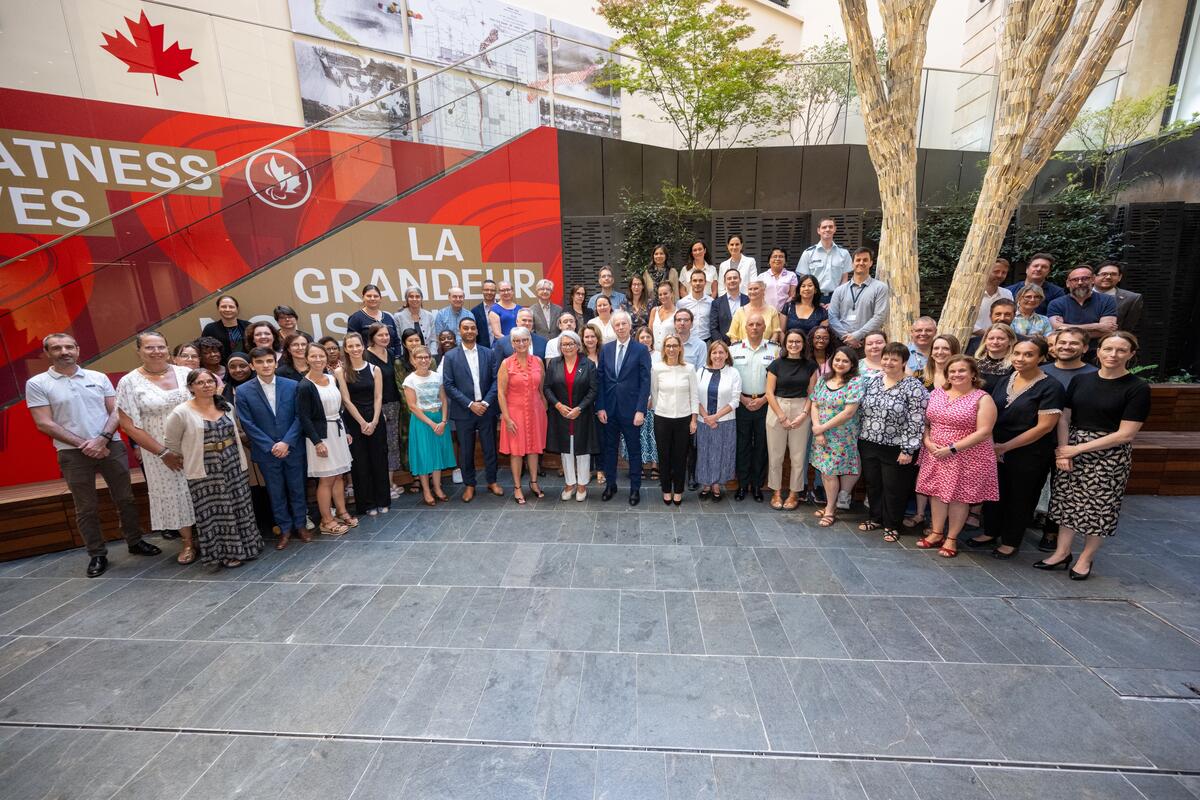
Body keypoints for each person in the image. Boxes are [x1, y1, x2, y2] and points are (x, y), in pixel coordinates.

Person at [27, 333, 159, 578]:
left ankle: (135, 541)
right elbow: (44, 423)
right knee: (86, 507)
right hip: (71, 453)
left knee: (125, 498)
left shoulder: (98, 378)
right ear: (47, 353)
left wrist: (102, 439)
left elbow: (117, 411)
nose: (64, 351)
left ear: (77, 349)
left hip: (110, 446)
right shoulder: (38, 383)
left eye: (69, 347)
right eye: (57, 348)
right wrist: (84, 444)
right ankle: (97, 553)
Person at [1039, 331, 1150, 579]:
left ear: (1131, 354)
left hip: (1108, 455)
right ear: (1098, 351)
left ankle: (1086, 558)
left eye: (1121, 350)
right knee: (1066, 503)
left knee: (1099, 509)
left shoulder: (1137, 388)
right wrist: (1063, 451)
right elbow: (1065, 417)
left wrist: (1076, 449)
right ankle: (1061, 553)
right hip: (1070, 446)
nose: (1113, 355)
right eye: (1108, 349)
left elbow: (1126, 434)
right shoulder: (1082, 380)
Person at [964, 338, 1065, 557]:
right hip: (995, 446)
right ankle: (991, 531)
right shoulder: (1007, 379)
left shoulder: (1051, 387)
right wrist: (993, 445)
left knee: (1020, 497)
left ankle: (1011, 540)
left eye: (1028, 354)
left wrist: (1006, 447)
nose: (1020, 358)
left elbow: (1044, 427)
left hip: (1029, 451)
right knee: (994, 492)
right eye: (1017, 353)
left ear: (1041, 357)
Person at [163, 368, 263, 568]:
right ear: (191, 387)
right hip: (204, 469)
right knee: (217, 512)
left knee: (239, 505)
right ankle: (225, 554)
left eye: (209, 381)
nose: (206, 385)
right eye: (200, 383)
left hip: (233, 463)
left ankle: (248, 547)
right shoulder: (181, 412)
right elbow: (171, 443)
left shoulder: (225, 406)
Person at [116, 331, 196, 560]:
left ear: (167, 348)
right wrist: (162, 452)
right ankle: (188, 543)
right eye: (149, 348)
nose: (156, 352)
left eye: (160, 346)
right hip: (159, 452)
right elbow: (129, 426)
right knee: (175, 495)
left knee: (200, 491)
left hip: (195, 447)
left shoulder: (185, 373)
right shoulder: (129, 382)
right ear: (139, 351)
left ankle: (210, 538)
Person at [915, 355, 999, 558]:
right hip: (935, 452)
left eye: (962, 370)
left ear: (973, 374)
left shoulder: (982, 398)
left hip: (966, 455)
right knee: (936, 493)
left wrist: (952, 448)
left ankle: (951, 538)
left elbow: (984, 431)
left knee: (958, 497)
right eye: (952, 371)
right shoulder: (937, 393)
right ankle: (936, 533)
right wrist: (927, 441)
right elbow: (927, 422)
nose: (956, 374)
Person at [236, 346, 310, 546]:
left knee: (297, 488)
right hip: (266, 452)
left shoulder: (292, 385)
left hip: (292, 447)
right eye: (259, 362)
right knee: (275, 491)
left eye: (269, 361)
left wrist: (286, 442)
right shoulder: (243, 391)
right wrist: (271, 446)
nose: (265, 365)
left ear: (275, 363)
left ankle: (300, 525)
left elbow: (300, 416)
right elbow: (247, 423)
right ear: (252, 365)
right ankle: (284, 529)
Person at [857, 343, 929, 542]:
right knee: (873, 484)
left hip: (897, 447)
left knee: (894, 487)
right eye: (886, 358)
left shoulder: (914, 386)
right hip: (869, 441)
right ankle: (876, 518)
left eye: (894, 359)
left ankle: (892, 524)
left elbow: (916, 419)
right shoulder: (873, 381)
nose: (888, 362)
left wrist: (907, 449)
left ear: (904, 362)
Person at [441, 317, 504, 501]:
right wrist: (470, 404)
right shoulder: (450, 356)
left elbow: (496, 380)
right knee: (466, 450)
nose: (469, 331)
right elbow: (449, 385)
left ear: (477, 331)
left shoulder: (489, 353)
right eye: (465, 328)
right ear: (460, 331)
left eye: (472, 328)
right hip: (464, 410)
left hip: (486, 408)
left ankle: (492, 481)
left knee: (490, 447)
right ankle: (470, 485)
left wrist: (484, 403)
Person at [296, 343, 356, 535]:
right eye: (313, 356)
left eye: (321, 356)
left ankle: (341, 511)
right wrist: (317, 442)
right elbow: (303, 417)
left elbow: (338, 409)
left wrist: (345, 430)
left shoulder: (331, 379)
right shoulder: (305, 386)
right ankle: (326, 521)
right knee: (326, 479)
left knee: (339, 475)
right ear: (306, 359)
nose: (318, 359)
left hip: (336, 432)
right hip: (321, 437)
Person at [597, 310, 652, 506]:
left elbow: (645, 382)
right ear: (613, 327)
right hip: (609, 410)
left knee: (634, 450)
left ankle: (635, 489)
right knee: (610, 449)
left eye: (623, 324)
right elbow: (601, 379)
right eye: (617, 324)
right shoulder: (606, 349)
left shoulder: (641, 350)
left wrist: (640, 410)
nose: (620, 327)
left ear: (630, 326)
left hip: (631, 412)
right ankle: (610, 485)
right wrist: (600, 407)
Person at [808, 346, 865, 525]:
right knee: (825, 471)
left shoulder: (855, 382)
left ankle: (831, 510)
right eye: (837, 360)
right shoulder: (823, 379)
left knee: (831, 471)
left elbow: (849, 412)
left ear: (852, 364)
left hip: (842, 436)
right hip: (821, 434)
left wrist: (822, 428)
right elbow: (815, 404)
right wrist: (818, 428)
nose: (840, 363)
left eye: (845, 361)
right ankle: (830, 504)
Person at [337, 333, 391, 517]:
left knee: (379, 461)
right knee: (360, 464)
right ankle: (367, 504)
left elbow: (378, 397)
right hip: (354, 421)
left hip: (375, 419)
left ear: (363, 346)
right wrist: (362, 422)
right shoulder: (341, 372)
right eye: (350, 346)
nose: (355, 349)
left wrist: (374, 421)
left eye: (357, 345)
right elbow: (346, 400)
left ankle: (383, 500)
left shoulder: (375, 369)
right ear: (345, 349)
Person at [729, 313, 779, 501]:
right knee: (742, 446)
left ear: (764, 326)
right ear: (745, 327)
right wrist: (741, 398)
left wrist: (764, 399)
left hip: (765, 404)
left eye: (759, 324)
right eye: (751, 324)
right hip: (741, 403)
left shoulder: (774, 350)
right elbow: (730, 378)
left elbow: (778, 380)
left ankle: (757, 486)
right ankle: (742, 485)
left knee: (761, 446)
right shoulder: (733, 350)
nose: (755, 328)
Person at [544, 331, 599, 502]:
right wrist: (558, 406)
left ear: (577, 345)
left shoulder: (588, 364)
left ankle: (582, 484)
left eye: (570, 344)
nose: (567, 347)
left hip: (582, 414)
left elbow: (593, 390)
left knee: (582, 449)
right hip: (561, 414)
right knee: (566, 450)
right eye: (564, 344)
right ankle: (570, 483)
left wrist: (580, 408)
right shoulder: (553, 364)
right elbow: (547, 388)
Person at [764, 330, 816, 510]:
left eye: (798, 342)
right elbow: (769, 393)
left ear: (803, 344)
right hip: (777, 408)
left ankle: (794, 493)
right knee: (775, 455)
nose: (794, 345)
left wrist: (803, 414)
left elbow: (812, 394)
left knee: (798, 456)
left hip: (802, 409)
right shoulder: (776, 364)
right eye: (791, 341)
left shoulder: (810, 366)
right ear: (785, 343)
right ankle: (776, 492)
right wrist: (781, 416)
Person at [497, 326, 548, 504]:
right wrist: (507, 417)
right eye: (517, 341)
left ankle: (533, 482)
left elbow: (541, 389)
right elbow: (501, 393)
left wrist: (545, 407)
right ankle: (517, 487)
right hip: (514, 413)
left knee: (534, 448)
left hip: (536, 411)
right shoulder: (506, 364)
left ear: (530, 341)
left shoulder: (538, 362)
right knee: (517, 452)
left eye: (524, 340)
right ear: (512, 343)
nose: (521, 343)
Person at [402, 345, 457, 505]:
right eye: (420, 357)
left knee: (437, 454)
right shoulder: (410, 380)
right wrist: (433, 424)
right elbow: (412, 406)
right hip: (422, 421)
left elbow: (444, 400)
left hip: (439, 419)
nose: (424, 360)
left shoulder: (437, 376)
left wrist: (444, 421)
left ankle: (438, 488)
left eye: (426, 357)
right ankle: (426, 491)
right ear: (413, 360)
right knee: (425, 456)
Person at [650, 334, 699, 505]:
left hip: (683, 419)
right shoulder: (657, 368)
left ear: (680, 348)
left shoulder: (689, 369)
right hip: (662, 418)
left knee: (680, 457)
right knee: (664, 456)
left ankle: (678, 490)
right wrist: (659, 410)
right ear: (664, 349)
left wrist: (693, 420)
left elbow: (694, 395)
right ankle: (665, 489)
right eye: (668, 346)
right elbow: (654, 394)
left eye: (674, 346)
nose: (671, 349)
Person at [365, 323, 407, 498]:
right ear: (372, 337)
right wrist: (377, 410)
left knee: (392, 445)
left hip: (394, 405)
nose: (385, 338)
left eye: (387, 335)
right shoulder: (365, 355)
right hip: (376, 408)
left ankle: (389, 483)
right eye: (380, 335)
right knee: (379, 447)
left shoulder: (390, 354)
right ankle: (382, 485)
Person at [695, 340, 742, 501]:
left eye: (721, 352)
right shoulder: (700, 371)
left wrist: (716, 417)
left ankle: (716, 485)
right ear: (710, 355)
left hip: (725, 421)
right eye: (714, 352)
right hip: (703, 420)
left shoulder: (733, 373)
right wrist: (706, 416)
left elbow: (735, 400)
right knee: (704, 452)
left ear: (727, 354)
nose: (718, 355)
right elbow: (694, 396)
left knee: (721, 453)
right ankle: (706, 484)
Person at [828, 247, 888, 350]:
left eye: (865, 260)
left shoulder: (880, 288)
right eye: (858, 260)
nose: (861, 263)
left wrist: (857, 336)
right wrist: (847, 337)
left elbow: (879, 316)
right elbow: (832, 317)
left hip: (867, 343)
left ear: (871, 263)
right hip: (842, 343)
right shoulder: (839, 290)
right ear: (852, 264)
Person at [1048, 265, 1118, 353]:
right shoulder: (1056, 303)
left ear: (1093, 280)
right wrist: (1097, 326)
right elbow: (1057, 329)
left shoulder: (1107, 300)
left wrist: (1066, 329)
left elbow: (1107, 331)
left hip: (1098, 352)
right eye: (1075, 280)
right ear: (1067, 283)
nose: (1080, 283)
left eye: (1085, 278)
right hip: (1066, 351)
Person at [622, 328, 660, 482]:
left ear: (652, 338)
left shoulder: (659, 356)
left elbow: (659, 379)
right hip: (635, 401)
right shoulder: (631, 354)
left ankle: (655, 465)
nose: (645, 339)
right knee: (638, 434)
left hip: (655, 401)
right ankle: (641, 465)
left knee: (654, 435)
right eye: (641, 337)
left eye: (648, 336)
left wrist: (653, 398)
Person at [796, 217, 851, 302]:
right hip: (813, 297)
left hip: (836, 297)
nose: (827, 229)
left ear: (835, 229)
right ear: (819, 230)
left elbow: (844, 279)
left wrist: (837, 300)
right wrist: (812, 300)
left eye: (830, 227)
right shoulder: (808, 253)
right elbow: (804, 279)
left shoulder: (844, 253)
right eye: (824, 227)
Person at [347, 284, 401, 359]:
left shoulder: (388, 317)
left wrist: (397, 358)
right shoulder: (356, 318)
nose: (372, 298)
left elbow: (396, 341)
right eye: (369, 296)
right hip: (368, 361)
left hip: (390, 361)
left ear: (380, 298)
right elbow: (352, 343)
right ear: (363, 298)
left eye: (376, 296)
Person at [727, 279, 783, 344]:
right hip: (743, 351)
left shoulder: (772, 311)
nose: (752, 292)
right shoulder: (740, 311)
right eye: (750, 289)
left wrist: (769, 347)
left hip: (766, 351)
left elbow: (775, 333)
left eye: (756, 289)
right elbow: (733, 335)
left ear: (763, 290)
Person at [1095, 260, 1143, 333]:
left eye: (1113, 274)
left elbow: (1127, 328)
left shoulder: (1132, 298)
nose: (1108, 277)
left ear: (1119, 277)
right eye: (1104, 274)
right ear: (1094, 276)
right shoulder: (1079, 295)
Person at [200, 295, 249, 363]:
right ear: (218, 308)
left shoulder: (248, 326)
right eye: (223, 306)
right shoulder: (210, 329)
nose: (227, 309)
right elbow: (204, 350)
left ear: (237, 309)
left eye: (231, 307)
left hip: (247, 365)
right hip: (222, 367)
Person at [973, 259, 1013, 336]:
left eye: (1004, 273)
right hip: (972, 340)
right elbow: (964, 320)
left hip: (999, 340)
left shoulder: (1007, 294)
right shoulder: (972, 294)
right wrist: (988, 334)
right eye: (996, 271)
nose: (1000, 275)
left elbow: (1011, 317)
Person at [974, 323, 1017, 392]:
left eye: (1001, 339)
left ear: (1010, 341)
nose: (995, 342)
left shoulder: (1016, 365)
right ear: (985, 340)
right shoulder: (974, 363)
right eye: (991, 338)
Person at [710, 268, 748, 345]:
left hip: (746, 345)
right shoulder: (716, 303)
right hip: (724, 346)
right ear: (725, 282)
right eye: (729, 278)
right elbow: (713, 328)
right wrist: (722, 346)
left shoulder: (748, 300)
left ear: (740, 280)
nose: (732, 280)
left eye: (735, 278)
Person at [785, 274, 829, 339]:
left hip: (811, 348)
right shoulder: (788, 307)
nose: (806, 288)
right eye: (803, 286)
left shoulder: (822, 312)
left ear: (815, 290)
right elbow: (781, 331)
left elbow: (821, 337)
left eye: (810, 285)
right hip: (791, 346)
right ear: (799, 290)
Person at [676, 270, 713, 343]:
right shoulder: (681, 303)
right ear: (690, 283)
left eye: (700, 280)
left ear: (705, 283)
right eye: (695, 281)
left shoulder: (711, 302)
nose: (697, 283)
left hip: (707, 342)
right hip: (687, 342)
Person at [759, 247, 798, 312]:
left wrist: (784, 310)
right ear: (769, 260)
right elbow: (759, 296)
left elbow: (792, 296)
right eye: (774, 256)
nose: (777, 259)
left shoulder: (791, 275)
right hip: (766, 312)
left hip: (785, 313)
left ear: (785, 260)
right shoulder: (761, 277)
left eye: (781, 256)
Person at [648, 282, 679, 350]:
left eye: (665, 293)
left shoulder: (677, 313)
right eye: (660, 294)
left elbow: (678, 336)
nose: (663, 297)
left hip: (670, 352)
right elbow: (649, 333)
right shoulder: (654, 311)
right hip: (654, 352)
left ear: (672, 294)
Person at [471, 278, 499, 348]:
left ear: (495, 292)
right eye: (486, 290)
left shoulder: (502, 307)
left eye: (492, 290)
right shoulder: (475, 311)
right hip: (484, 349)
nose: (489, 292)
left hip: (502, 348)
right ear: (482, 291)